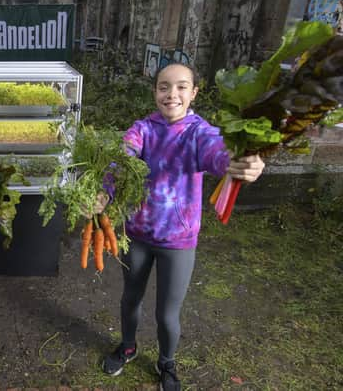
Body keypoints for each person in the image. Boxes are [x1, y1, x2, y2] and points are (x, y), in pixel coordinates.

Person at [99, 63, 265, 390]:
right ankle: (128, 347)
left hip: (179, 241)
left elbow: (218, 151)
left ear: (193, 93)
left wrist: (239, 161)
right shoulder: (142, 129)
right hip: (138, 235)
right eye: (164, 86)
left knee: (166, 314)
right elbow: (123, 156)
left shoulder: (199, 132)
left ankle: (166, 364)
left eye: (180, 87)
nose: (171, 94)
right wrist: (105, 189)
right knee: (130, 300)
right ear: (155, 91)